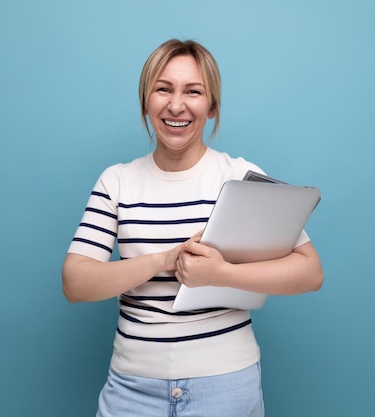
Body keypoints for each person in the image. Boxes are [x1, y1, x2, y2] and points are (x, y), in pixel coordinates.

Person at [62, 38, 323, 417]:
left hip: (226, 386)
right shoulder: (115, 181)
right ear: (145, 100)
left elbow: (310, 272)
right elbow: (76, 282)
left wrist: (221, 273)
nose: (176, 105)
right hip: (131, 390)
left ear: (212, 106)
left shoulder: (239, 178)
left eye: (193, 91)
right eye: (163, 89)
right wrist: (164, 260)